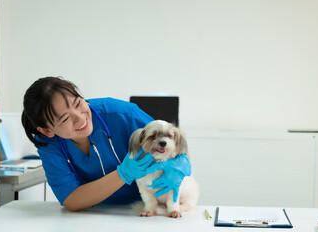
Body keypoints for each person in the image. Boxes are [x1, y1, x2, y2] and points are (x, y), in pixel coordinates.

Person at [21, 76, 191, 212]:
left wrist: (178, 167)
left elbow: (178, 147)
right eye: (65, 119)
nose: (80, 118)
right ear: (47, 130)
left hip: (146, 209)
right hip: (96, 213)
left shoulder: (122, 114)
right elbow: (70, 200)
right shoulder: (48, 142)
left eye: (78, 103)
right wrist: (124, 173)